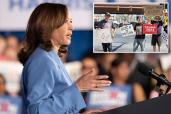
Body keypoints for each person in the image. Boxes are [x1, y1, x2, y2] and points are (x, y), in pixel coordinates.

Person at [18, 3, 111, 114]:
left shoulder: (50, 58)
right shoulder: (42, 60)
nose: (71, 27)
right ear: (49, 24)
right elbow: (37, 111)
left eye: (71, 22)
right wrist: (77, 88)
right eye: (66, 21)